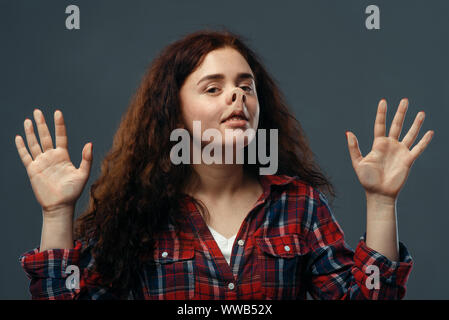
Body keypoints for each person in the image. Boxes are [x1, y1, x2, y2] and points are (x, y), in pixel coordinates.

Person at [16, 29, 433, 300]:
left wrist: (380, 202)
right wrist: (56, 213)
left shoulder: (298, 206)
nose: (236, 97)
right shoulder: (138, 212)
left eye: (245, 86)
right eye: (213, 88)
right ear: (174, 113)